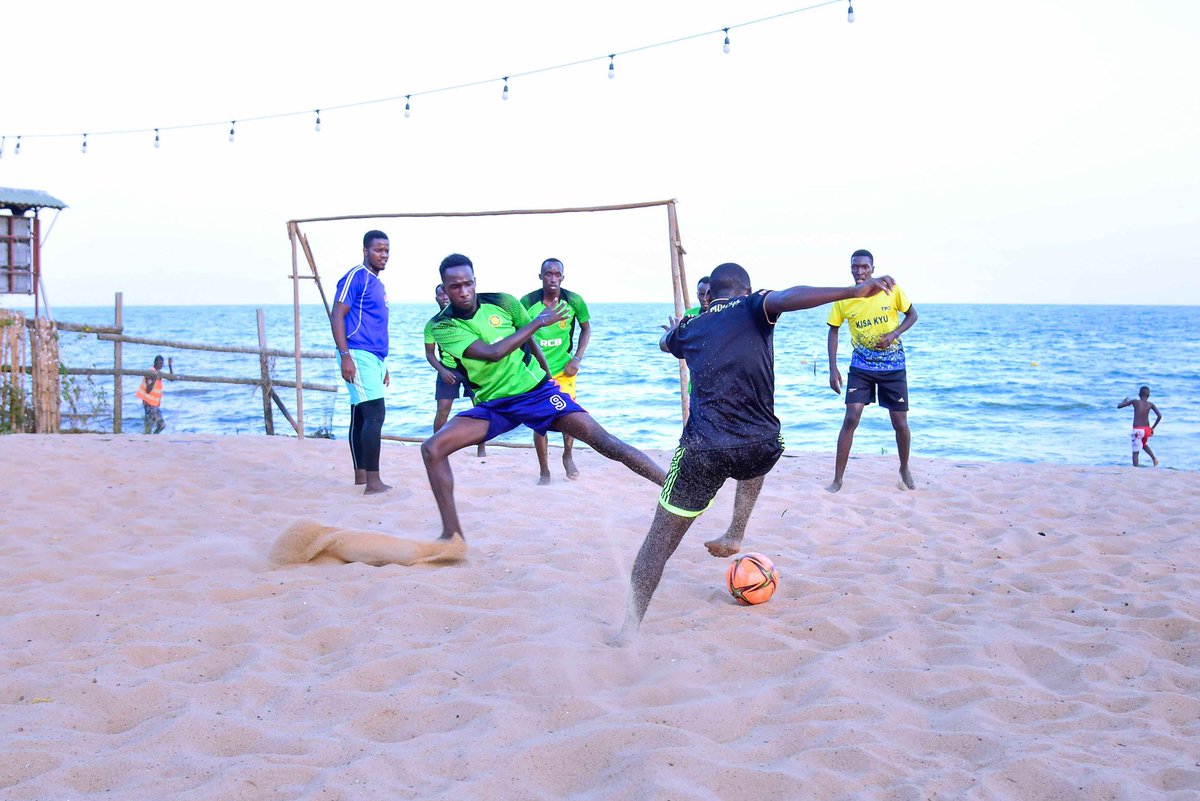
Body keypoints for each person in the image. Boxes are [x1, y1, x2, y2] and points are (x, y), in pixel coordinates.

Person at [614, 262, 896, 641]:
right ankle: (735, 531)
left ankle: (628, 630)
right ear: (746, 291)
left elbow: (667, 344)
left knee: (656, 546)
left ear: (709, 296)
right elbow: (787, 297)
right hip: (760, 445)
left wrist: (673, 333)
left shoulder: (692, 327)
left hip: (704, 451)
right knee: (759, 445)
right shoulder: (754, 307)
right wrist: (850, 291)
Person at [423, 253, 665, 552]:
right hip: (493, 405)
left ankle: (672, 486)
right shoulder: (442, 326)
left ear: (475, 281)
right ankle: (452, 536)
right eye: (455, 286)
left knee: (603, 440)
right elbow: (492, 352)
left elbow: (529, 341)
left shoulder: (503, 301)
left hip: (535, 392)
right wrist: (537, 322)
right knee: (432, 449)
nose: (463, 291)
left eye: (468, 283)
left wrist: (549, 376)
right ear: (444, 289)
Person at [826, 249, 918, 492]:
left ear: (873, 269)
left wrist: (893, 334)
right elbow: (833, 330)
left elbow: (912, 315)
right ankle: (837, 480)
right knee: (851, 418)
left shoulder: (891, 289)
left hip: (893, 366)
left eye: (864, 267)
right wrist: (832, 367)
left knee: (899, 422)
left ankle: (904, 467)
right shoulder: (845, 298)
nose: (859, 271)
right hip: (861, 367)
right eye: (855, 267)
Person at [330, 230, 391, 495]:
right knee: (376, 413)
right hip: (356, 352)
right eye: (378, 250)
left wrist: (383, 364)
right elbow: (337, 314)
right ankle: (374, 483)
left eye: (387, 250)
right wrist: (345, 356)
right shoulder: (356, 276)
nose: (384, 255)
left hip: (373, 356)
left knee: (360, 414)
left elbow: (373, 324)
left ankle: (361, 476)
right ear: (365, 251)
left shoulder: (378, 284)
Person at [520, 258, 591, 483]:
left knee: (569, 417)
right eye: (548, 274)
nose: (552, 278)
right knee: (539, 419)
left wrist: (577, 358)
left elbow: (586, 328)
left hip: (564, 369)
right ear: (540, 277)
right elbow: (519, 333)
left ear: (562, 277)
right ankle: (544, 470)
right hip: (535, 372)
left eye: (556, 274)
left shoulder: (574, 301)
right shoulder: (527, 302)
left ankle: (568, 455)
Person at [424, 284, 486, 458]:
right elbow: (429, 354)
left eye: (446, 293)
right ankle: (437, 445)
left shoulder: (464, 318)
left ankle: (481, 448)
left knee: (480, 407)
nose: (444, 297)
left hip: (471, 369)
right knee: (443, 410)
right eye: (440, 294)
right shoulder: (433, 324)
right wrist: (442, 370)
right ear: (436, 298)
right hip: (448, 369)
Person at [1118, 386, 1162, 467]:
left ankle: (1136, 469)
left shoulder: (1135, 401)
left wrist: (1124, 400)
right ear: (1149, 395)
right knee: (1143, 444)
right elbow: (1159, 416)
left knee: (1135, 452)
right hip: (1147, 430)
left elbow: (1119, 406)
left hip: (1137, 430)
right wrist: (1152, 428)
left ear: (1139, 394)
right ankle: (1154, 458)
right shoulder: (1151, 404)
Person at [135, 355, 174, 434]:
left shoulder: (159, 373)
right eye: (159, 363)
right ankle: (151, 438)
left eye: (162, 363)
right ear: (155, 363)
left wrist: (170, 366)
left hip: (154, 404)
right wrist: (154, 380)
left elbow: (172, 379)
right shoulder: (151, 372)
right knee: (160, 424)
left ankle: (149, 439)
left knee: (150, 425)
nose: (161, 365)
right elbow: (148, 389)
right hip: (149, 404)